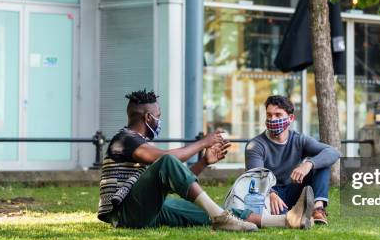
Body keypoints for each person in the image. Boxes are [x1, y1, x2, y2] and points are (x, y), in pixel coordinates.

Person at [97, 89, 259, 231]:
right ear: (148, 117)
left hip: (143, 211)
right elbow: (166, 160)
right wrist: (203, 142)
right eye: (158, 116)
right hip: (125, 215)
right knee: (166, 160)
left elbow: (174, 181)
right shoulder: (125, 140)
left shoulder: (137, 141)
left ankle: (279, 220)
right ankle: (220, 218)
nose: (160, 121)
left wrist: (203, 162)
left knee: (206, 211)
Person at [245, 95, 341, 225]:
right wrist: (271, 193)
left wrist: (308, 164)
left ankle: (318, 209)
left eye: (278, 115)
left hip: (293, 189)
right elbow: (256, 176)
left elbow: (333, 152)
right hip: (269, 194)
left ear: (290, 118)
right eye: (269, 115)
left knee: (321, 163)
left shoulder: (299, 140)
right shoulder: (255, 145)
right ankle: (291, 213)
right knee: (277, 213)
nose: (272, 119)